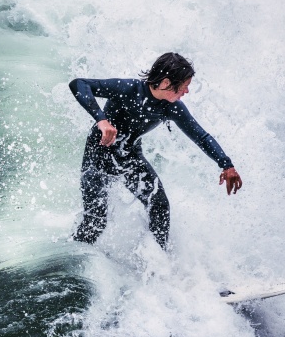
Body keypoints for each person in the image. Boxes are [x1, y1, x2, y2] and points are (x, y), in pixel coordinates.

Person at [69, 52, 242, 249]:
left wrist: (226, 165)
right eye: (184, 87)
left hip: (129, 158)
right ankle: (73, 258)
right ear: (167, 82)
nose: (186, 92)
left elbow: (201, 136)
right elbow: (79, 84)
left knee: (159, 206)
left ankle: (157, 266)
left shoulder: (171, 108)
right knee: (96, 220)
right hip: (98, 156)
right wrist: (101, 120)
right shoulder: (127, 89)